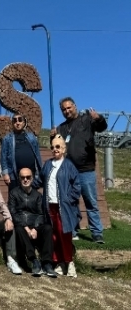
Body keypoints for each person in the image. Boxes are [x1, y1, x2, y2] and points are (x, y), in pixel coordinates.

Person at [51, 97, 108, 243]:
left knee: (91, 202)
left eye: (69, 107)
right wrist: (53, 137)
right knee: (70, 203)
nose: (67, 111)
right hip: (69, 171)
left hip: (86, 170)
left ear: (75, 106)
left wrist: (99, 118)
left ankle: (97, 234)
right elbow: (57, 147)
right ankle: (73, 231)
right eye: (64, 109)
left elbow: (102, 127)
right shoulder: (62, 128)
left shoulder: (87, 120)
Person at [40, 136, 81, 278]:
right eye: (52, 147)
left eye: (58, 147)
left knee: (65, 235)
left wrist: (68, 199)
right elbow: (39, 180)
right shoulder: (47, 164)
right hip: (49, 206)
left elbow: (77, 186)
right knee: (54, 236)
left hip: (64, 207)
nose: (55, 149)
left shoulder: (69, 165)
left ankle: (69, 262)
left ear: (63, 149)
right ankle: (58, 263)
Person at [9, 168, 57, 278]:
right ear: (19, 178)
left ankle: (47, 263)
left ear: (32, 178)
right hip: (22, 225)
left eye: (28, 177)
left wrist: (35, 228)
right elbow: (13, 213)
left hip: (35, 225)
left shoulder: (38, 195)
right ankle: (34, 260)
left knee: (48, 228)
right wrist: (27, 228)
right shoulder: (14, 193)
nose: (25, 180)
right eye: (22, 177)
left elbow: (41, 214)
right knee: (19, 229)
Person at [0, 113, 43, 191]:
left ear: (24, 123)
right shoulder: (7, 139)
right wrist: (5, 174)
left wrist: (40, 172)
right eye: (15, 120)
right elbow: (3, 157)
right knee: (15, 199)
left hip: (31, 175)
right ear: (12, 123)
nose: (17, 122)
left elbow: (37, 155)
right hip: (14, 175)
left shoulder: (31, 137)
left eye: (20, 120)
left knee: (31, 199)